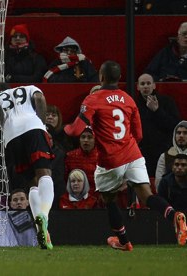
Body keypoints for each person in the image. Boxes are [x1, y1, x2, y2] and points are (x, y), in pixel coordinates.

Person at [64, 60, 187, 250]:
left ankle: (123, 241)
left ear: (101, 77)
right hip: (133, 154)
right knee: (147, 196)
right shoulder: (129, 99)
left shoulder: (93, 99)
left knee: (109, 199)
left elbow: (75, 131)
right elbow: (138, 135)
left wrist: (65, 127)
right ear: (119, 78)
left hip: (110, 159)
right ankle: (175, 216)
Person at [0, 85, 55, 250]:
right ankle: (43, 216)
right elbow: (39, 99)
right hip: (34, 129)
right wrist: (42, 124)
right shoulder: (30, 88)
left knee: (31, 183)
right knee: (44, 174)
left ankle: (42, 232)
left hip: (11, 137)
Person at [135, 73, 180, 177]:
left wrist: (157, 111)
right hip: (142, 152)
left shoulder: (166, 101)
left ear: (154, 85)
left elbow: (175, 125)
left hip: (163, 151)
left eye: (148, 83)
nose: (146, 86)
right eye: (142, 84)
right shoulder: (134, 105)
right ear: (138, 87)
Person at [155, 121, 187, 188]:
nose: (181, 135)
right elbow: (159, 182)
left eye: (185, 133)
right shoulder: (165, 156)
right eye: (178, 133)